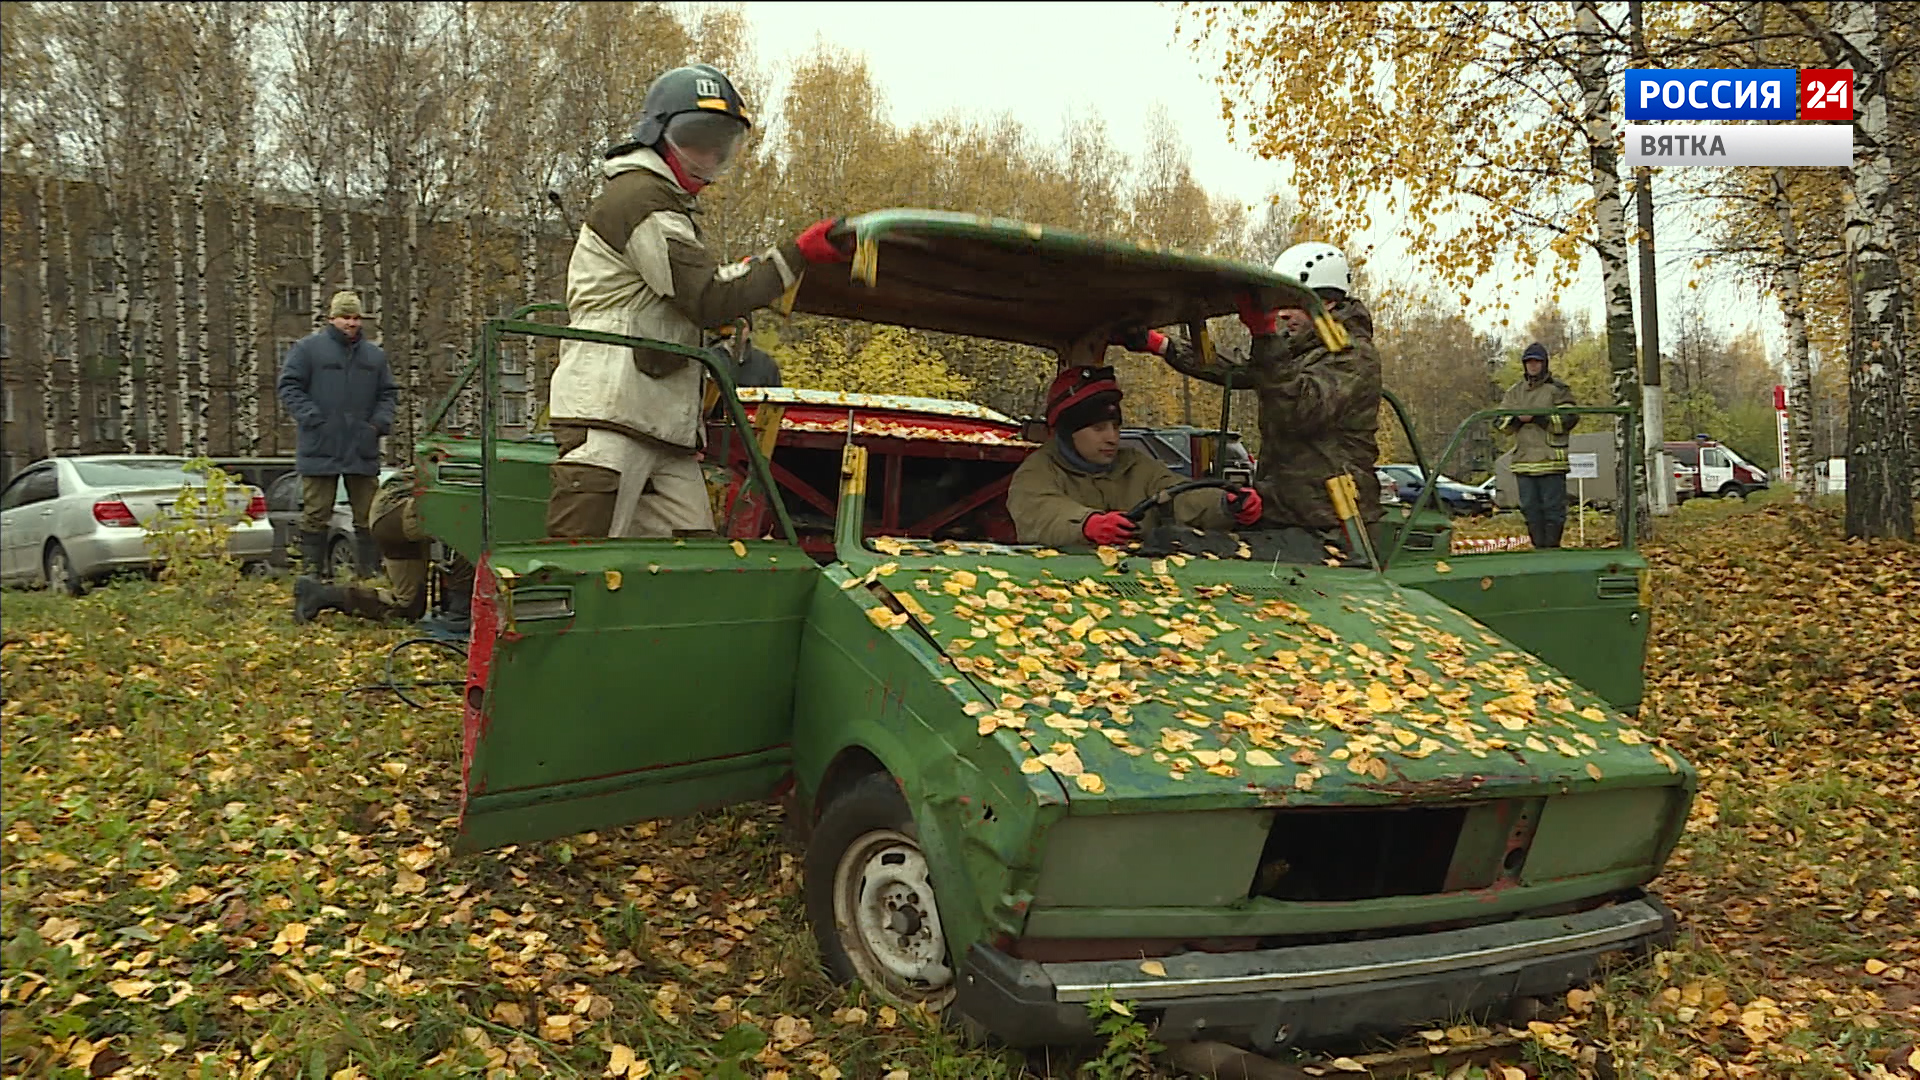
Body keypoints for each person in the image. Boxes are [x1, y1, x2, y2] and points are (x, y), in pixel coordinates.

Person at [544, 63, 852, 540]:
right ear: (658, 133)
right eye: (697, 138)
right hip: (610, 417)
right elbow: (708, 296)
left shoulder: (659, 203)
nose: (708, 156)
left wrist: (756, 276)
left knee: (690, 562)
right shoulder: (641, 200)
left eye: (719, 143)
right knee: (579, 563)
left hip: (655, 422)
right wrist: (795, 256)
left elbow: (701, 288)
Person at [1007, 365, 1262, 548]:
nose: (1112, 438)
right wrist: (1087, 525)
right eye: (1098, 429)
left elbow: (1179, 494)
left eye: (1116, 427)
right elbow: (1039, 512)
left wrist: (1226, 504)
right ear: (1067, 432)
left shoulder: (1136, 465)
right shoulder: (1037, 471)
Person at [277, 290, 397, 578]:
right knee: (316, 514)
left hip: (361, 446)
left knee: (368, 515)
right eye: (345, 317)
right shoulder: (308, 350)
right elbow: (289, 387)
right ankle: (312, 576)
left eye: (356, 317)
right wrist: (312, 418)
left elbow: (388, 394)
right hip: (321, 445)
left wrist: (377, 425)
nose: (351, 323)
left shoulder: (374, 355)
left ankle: (369, 576)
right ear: (332, 318)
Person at [292, 468, 476, 629]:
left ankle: (321, 595)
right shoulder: (488, 456)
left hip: (387, 514)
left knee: (406, 606)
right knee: (477, 529)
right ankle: (459, 611)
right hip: (403, 508)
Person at [1501, 342, 1578, 548]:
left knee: (1553, 509)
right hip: (1523, 461)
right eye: (1529, 362)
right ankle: (1538, 549)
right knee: (1530, 509)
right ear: (1524, 365)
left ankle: (1552, 549)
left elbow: (1569, 419)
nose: (1533, 366)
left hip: (1551, 460)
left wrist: (1537, 418)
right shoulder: (1514, 392)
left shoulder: (1558, 390)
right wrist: (1518, 420)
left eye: (1537, 362)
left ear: (1544, 364)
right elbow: (1499, 422)